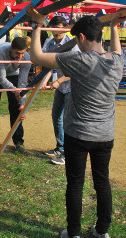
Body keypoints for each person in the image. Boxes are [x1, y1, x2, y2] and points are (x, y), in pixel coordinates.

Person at [27, 5, 124, 238]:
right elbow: (116, 49)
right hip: (104, 136)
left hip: (78, 135)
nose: (77, 44)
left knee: (75, 184)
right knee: (102, 182)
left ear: (81, 37)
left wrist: (38, 25)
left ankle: (73, 233)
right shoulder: (117, 61)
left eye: (77, 40)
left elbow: (36, 57)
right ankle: (102, 231)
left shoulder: (80, 60)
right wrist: (113, 26)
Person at [0, 37, 31, 155]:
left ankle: (19, 142)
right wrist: (15, 90)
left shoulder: (26, 58)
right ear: (11, 49)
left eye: (22, 53)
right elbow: (1, 78)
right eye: (17, 53)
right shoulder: (1, 53)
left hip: (13, 74)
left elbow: (22, 82)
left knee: (16, 109)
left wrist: (22, 102)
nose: (20, 57)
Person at [41, 16, 80, 165]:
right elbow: (48, 63)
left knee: (68, 120)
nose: (56, 32)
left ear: (65, 28)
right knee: (56, 116)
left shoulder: (73, 44)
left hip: (71, 86)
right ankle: (60, 147)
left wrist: (59, 80)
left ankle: (67, 153)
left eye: (59, 28)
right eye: (53, 28)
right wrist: (45, 79)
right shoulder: (49, 43)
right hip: (60, 88)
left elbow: (76, 69)